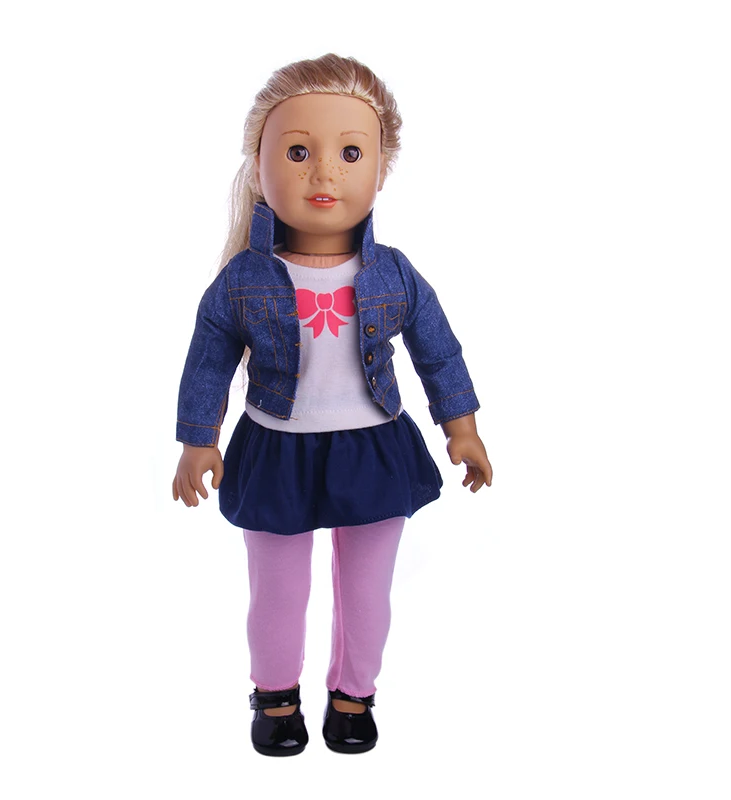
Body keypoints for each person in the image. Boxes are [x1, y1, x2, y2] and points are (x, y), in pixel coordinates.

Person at [172, 53, 493, 757]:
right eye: (298, 151)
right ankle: (275, 696)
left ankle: (354, 696)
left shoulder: (395, 274)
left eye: (350, 153)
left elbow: (439, 352)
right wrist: (199, 440)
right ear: (259, 164)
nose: (324, 173)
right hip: (275, 447)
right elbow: (209, 360)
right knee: (277, 590)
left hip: (373, 446)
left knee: (367, 590)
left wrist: (461, 427)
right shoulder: (243, 280)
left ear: (381, 168)